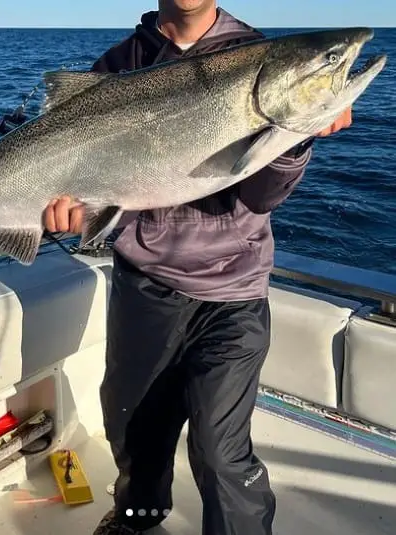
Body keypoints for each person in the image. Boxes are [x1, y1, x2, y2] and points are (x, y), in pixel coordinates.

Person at [44, 2, 352, 534]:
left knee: (218, 449)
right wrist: (61, 216)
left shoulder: (260, 57)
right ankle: (138, 520)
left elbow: (261, 196)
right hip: (144, 288)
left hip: (234, 289)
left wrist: (295, 136)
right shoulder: (118, 66)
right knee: (134, 432)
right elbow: (82, 195)